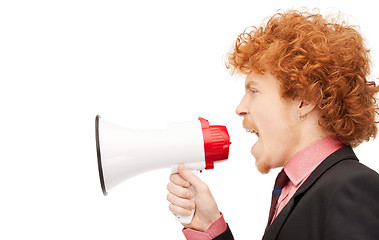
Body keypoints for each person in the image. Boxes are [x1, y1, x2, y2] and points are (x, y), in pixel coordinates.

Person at [166, 9, 379, 240]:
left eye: (254, 91)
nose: (240, 108)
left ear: (303, 100)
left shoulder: (352, 187)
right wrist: (209, 225)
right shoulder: (298, 189)